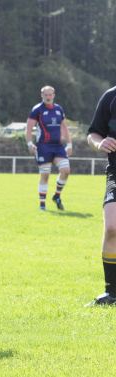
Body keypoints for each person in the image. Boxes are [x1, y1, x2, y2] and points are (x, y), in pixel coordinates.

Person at [86, 85, 116, 306]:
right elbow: (93, 133)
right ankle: (112, 293)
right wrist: (100, 143)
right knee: (112, 227)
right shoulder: (110, 96)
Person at [26, 86, 72, 211]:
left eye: (50, 94)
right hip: (43, 146)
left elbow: (64, 127)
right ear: (42, 95)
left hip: (58, 146)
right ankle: (42, 205)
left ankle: (57, 196)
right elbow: (29, 128)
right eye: (45, 94)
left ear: (54, 95)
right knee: (45, 174)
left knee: (66, 170)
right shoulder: (37, 110)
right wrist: (29, 143)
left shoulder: (59, 109)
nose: (48, 97)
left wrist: (69, 144)